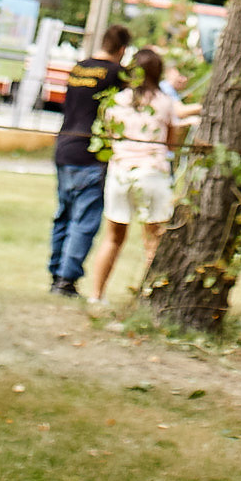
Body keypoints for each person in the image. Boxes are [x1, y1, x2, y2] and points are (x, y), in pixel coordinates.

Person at [85, 48, 191, 308]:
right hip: (152, 174)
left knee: (112, 238)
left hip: (120, 173)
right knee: (154, 241)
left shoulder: (117, 101)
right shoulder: (165, 103)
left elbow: (108, 137)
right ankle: (150, 299)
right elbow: (171, 144)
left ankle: (97, 295)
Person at [50, 20, 130, 297]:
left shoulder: (79, 66)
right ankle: (66, 281)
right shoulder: (116, 73)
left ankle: (55, 275)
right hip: (90, 154)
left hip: (64, 146)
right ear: (121, 49)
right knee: (84, 220)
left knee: (63, 214)